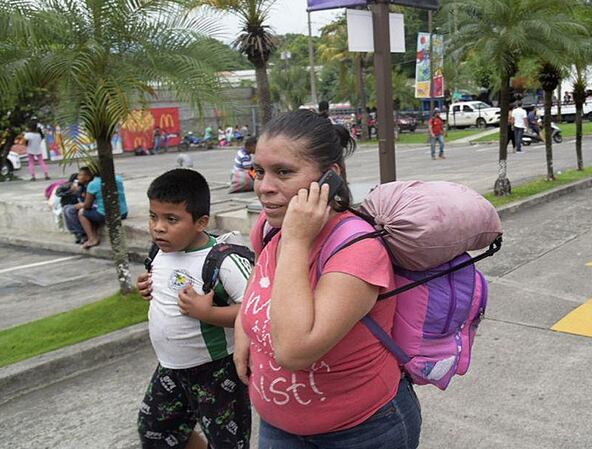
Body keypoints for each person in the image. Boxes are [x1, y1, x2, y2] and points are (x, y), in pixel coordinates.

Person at [234, 109, 421, 448]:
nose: (263, 187)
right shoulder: (267, 227)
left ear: (329, 177)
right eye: (258, 171)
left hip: (363, 432)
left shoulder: (356, 248)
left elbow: (294, 350)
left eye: (283, 172)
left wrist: (295, 239)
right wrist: (243, 332)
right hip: (279, 428)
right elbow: (260, 278)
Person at [135, 169, 252, 449]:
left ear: (201, 222)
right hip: (170, 368)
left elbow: (256, 309)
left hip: (215, 373)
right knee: (156, 431)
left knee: (227, 443)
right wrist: (146, 287)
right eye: (154, 216)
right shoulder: (160, 251)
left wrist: (208, 314)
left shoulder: (222, 260)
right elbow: (163, 287)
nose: (158, 227)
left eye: (171, 219)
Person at [78, 172, 128, 249]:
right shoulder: (118, 178)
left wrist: (80, 205)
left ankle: (92, 239)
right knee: (94, 211)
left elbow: (87, 206)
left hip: (106, 215)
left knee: (81, 213)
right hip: (123, 212)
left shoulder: (93, 184)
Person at [61, 166, 95, 244]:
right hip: (83, 204)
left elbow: (91, 201)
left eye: (80, 175)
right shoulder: (80, 185)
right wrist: (71, 190)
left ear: (87, 177)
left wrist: (82, 204)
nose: (78, 177)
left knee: (71, 210)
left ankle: (82, 233)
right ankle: (76, 233)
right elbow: (59, 192)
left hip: (90, 206)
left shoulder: (90, 186)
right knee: (65, 208)